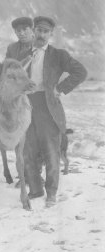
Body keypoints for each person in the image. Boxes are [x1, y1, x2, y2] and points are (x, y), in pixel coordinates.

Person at [24, 16, 87, 206]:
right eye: (39, 30)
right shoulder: (24, 53)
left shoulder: (58, 55)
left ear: (51, 34)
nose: (41, 35)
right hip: (26, 107)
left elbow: (81, 72)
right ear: (33, 31)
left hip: (48, 108)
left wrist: (60, 89)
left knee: (51, 152)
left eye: (46, 32)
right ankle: (35, 190)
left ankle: (51, 193)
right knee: (28, 151)